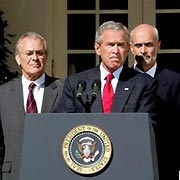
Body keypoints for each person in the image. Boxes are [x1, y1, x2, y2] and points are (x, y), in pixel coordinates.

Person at [56, 21, 157, 126]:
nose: (116, 50)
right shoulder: (76, 83)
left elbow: (146, 125)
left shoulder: (144, 84)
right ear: (97, 48)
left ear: (127, 50)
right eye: (111, 45)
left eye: (121, 45)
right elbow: (64, 123)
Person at [0, 31, 64, 180]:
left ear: (46, 57)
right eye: (29, 53)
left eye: (40, 53)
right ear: (18, 59)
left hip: (53, 173)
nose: (35, 58)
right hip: (14, 174)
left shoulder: (63, 89)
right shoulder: (3, 94)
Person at [130, 23, 180, 180]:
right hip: (128, 160)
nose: (143, 50)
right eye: (138, 45)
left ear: (158, 46)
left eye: (148, 44)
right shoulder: (121, 79)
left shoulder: (175, 81)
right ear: (131, 48)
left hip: (165, 162)